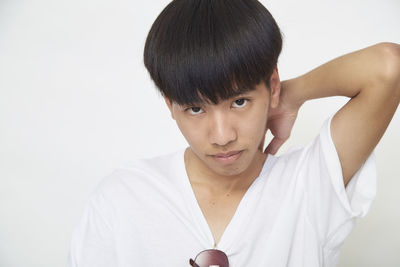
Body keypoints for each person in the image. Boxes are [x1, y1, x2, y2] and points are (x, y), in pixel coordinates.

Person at [68, 0, 400, 266]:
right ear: (170, 105)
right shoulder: (123, 197)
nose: (222, 135)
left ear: (270, 84)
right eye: (195, 109)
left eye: (239, 101)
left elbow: (388, 66)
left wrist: (286, 96)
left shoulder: (308, 184)